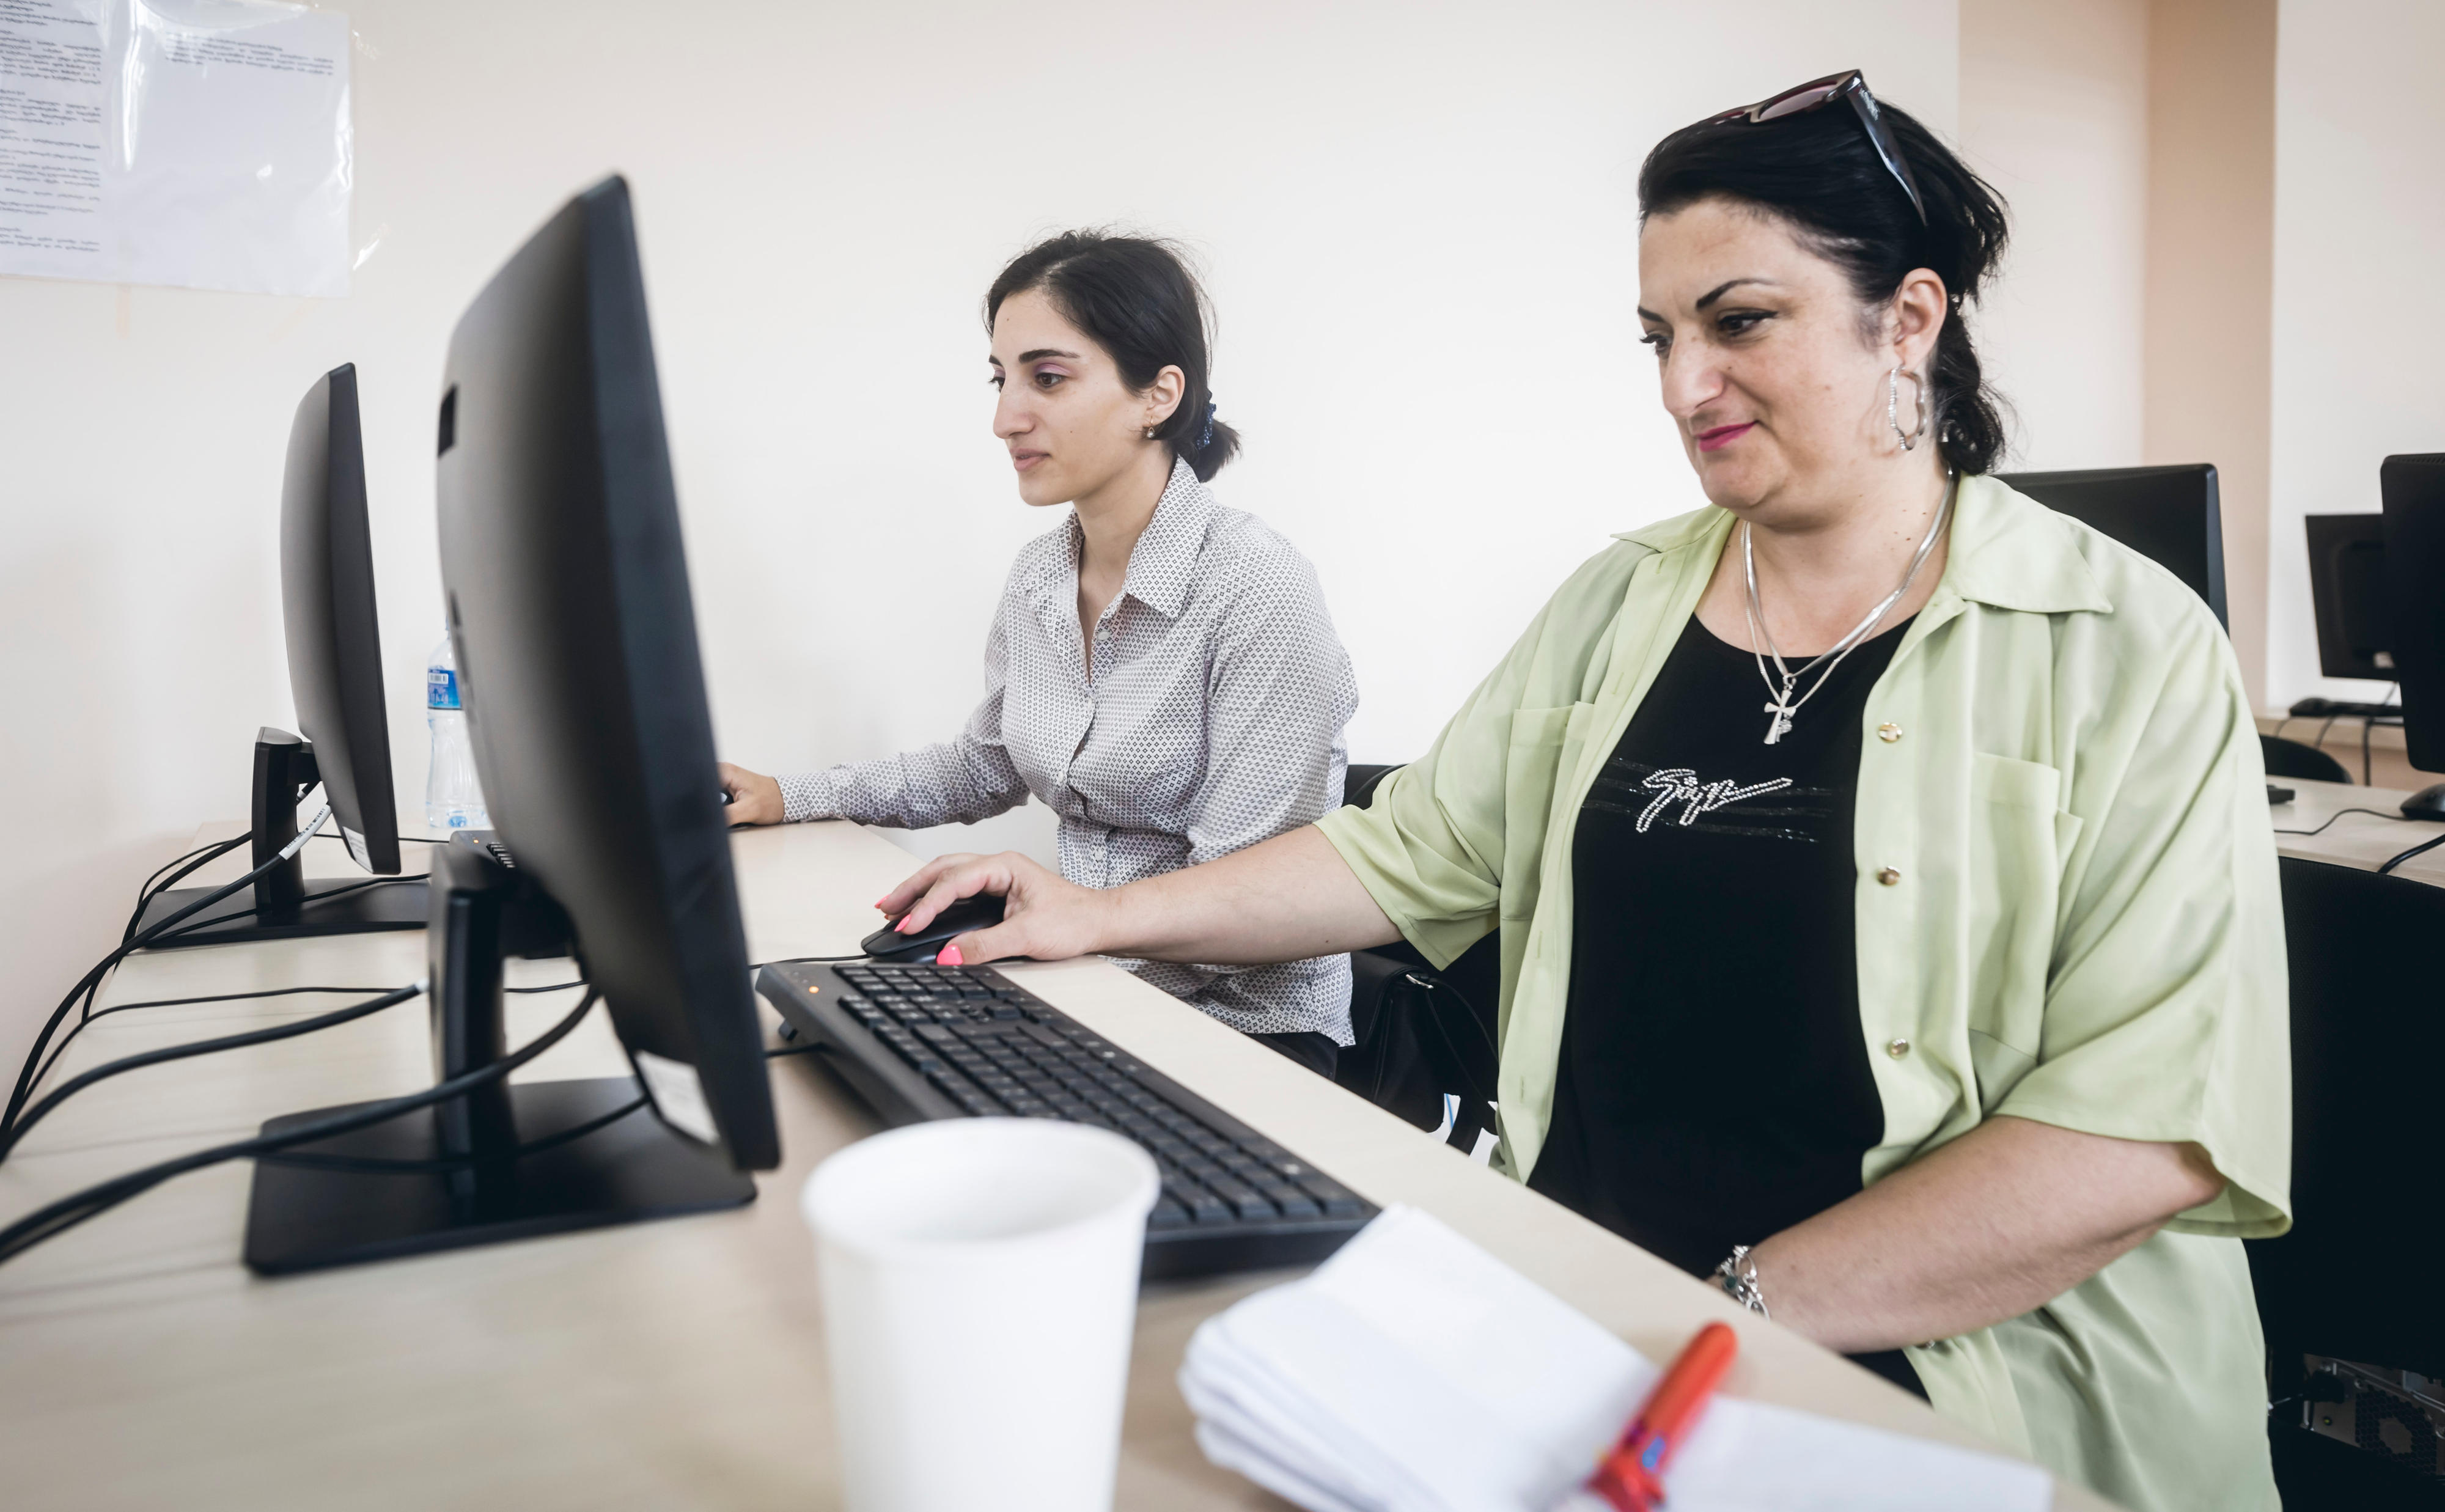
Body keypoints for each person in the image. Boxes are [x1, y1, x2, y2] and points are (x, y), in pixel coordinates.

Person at [866, 75, 2289, 1512]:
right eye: (1659, 338)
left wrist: (1719, 1309)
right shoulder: (1623, 600)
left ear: (1906, 321)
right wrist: (1094, 919)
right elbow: (1403, 857)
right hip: (1587, 1325)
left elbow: (2136, 1138)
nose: (1681, 385)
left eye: (1739, 322)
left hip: (1927, 1380)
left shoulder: (2124, 642)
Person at [721, 231, 1359, 1076]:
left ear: (1157, 395)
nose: (1005, 418)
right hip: (1092, 990)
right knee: (818, 1053)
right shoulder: (1040, 578)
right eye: (1002, 377)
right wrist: (785, 795)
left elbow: (1243, 900)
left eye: (1047, 378)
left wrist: (1049, 959)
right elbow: (983, 767)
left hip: (1249, 1034)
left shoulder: (1256, 588)